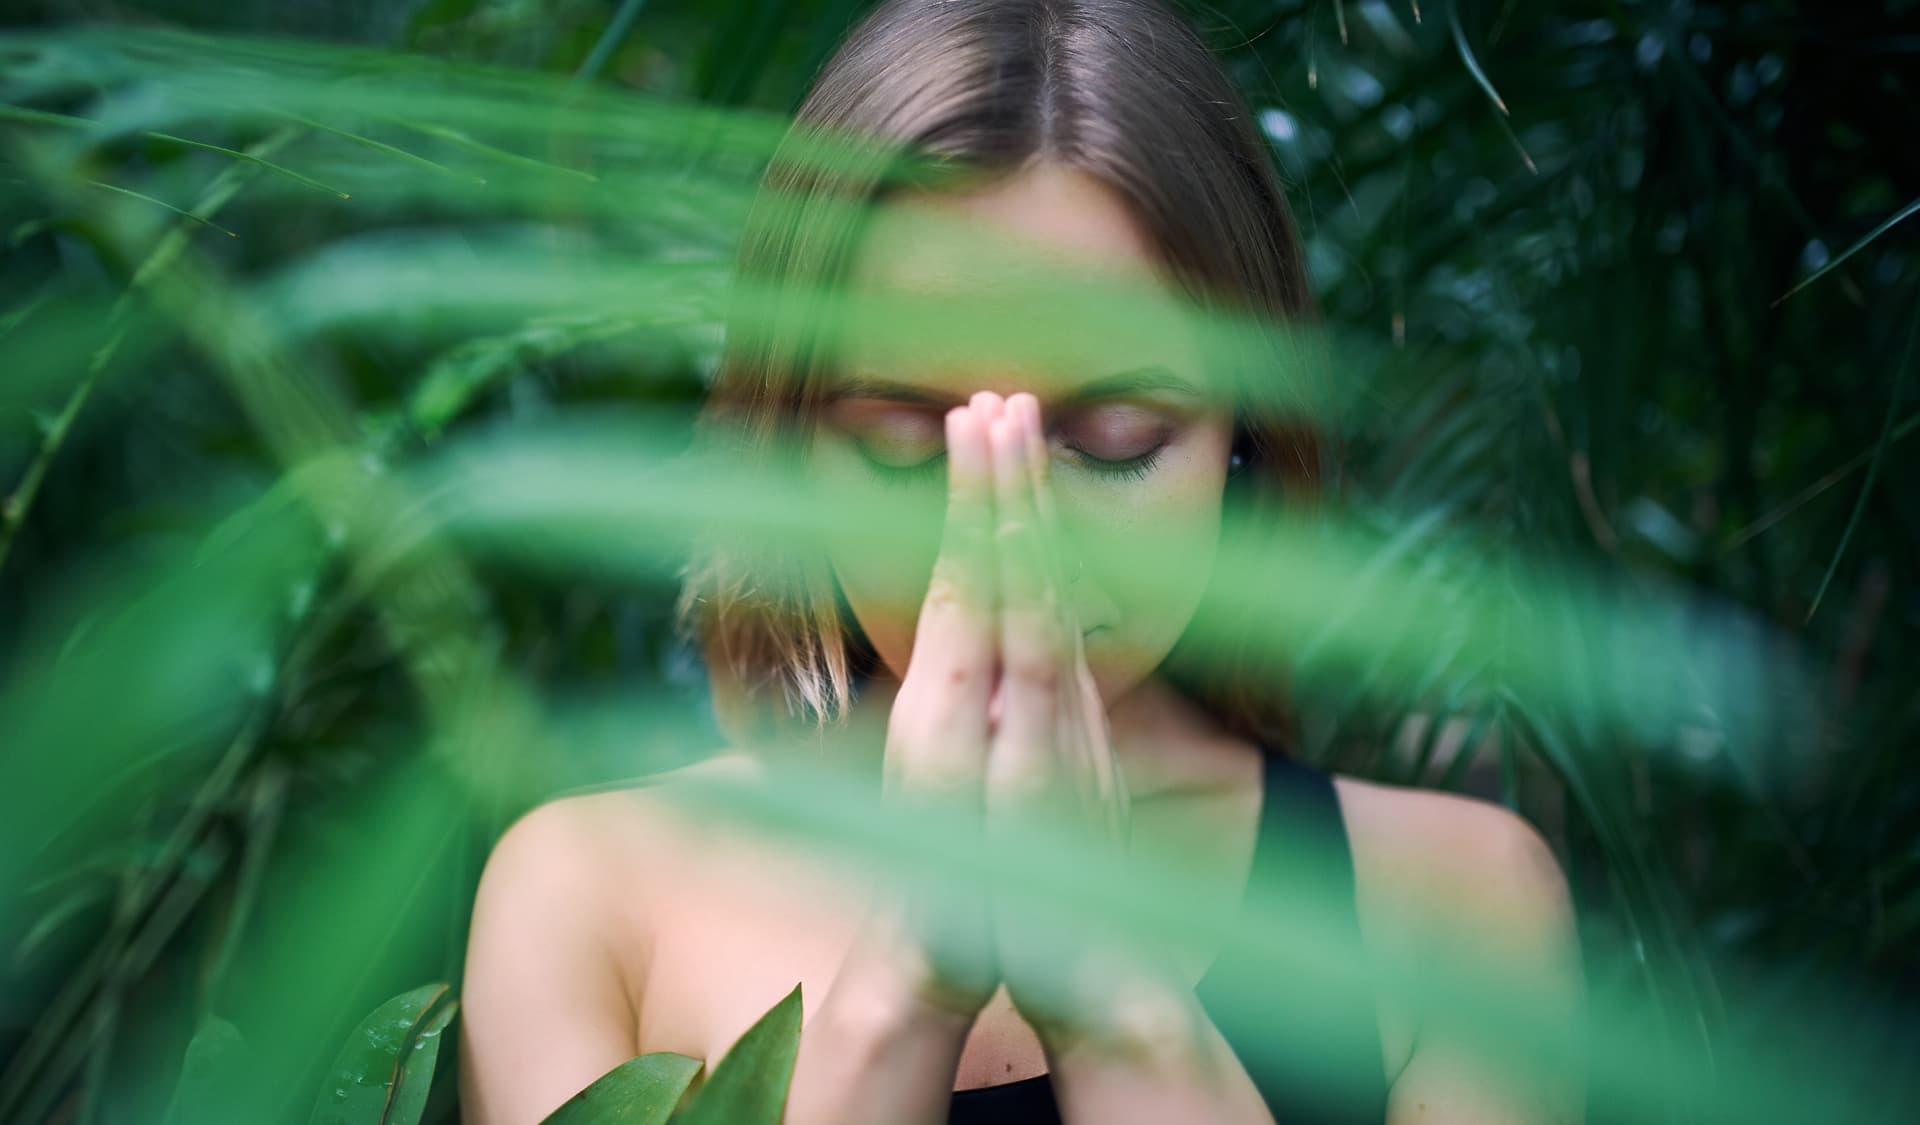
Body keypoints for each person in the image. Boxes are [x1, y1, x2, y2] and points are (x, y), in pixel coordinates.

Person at [458, 2, 1585, 1123]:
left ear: (1242, 440)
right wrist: (906, 981)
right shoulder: (593, 897)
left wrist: (1105, 993)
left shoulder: (1452, 913)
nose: (1008, 541)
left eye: (1114, 446)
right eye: (906, 445)